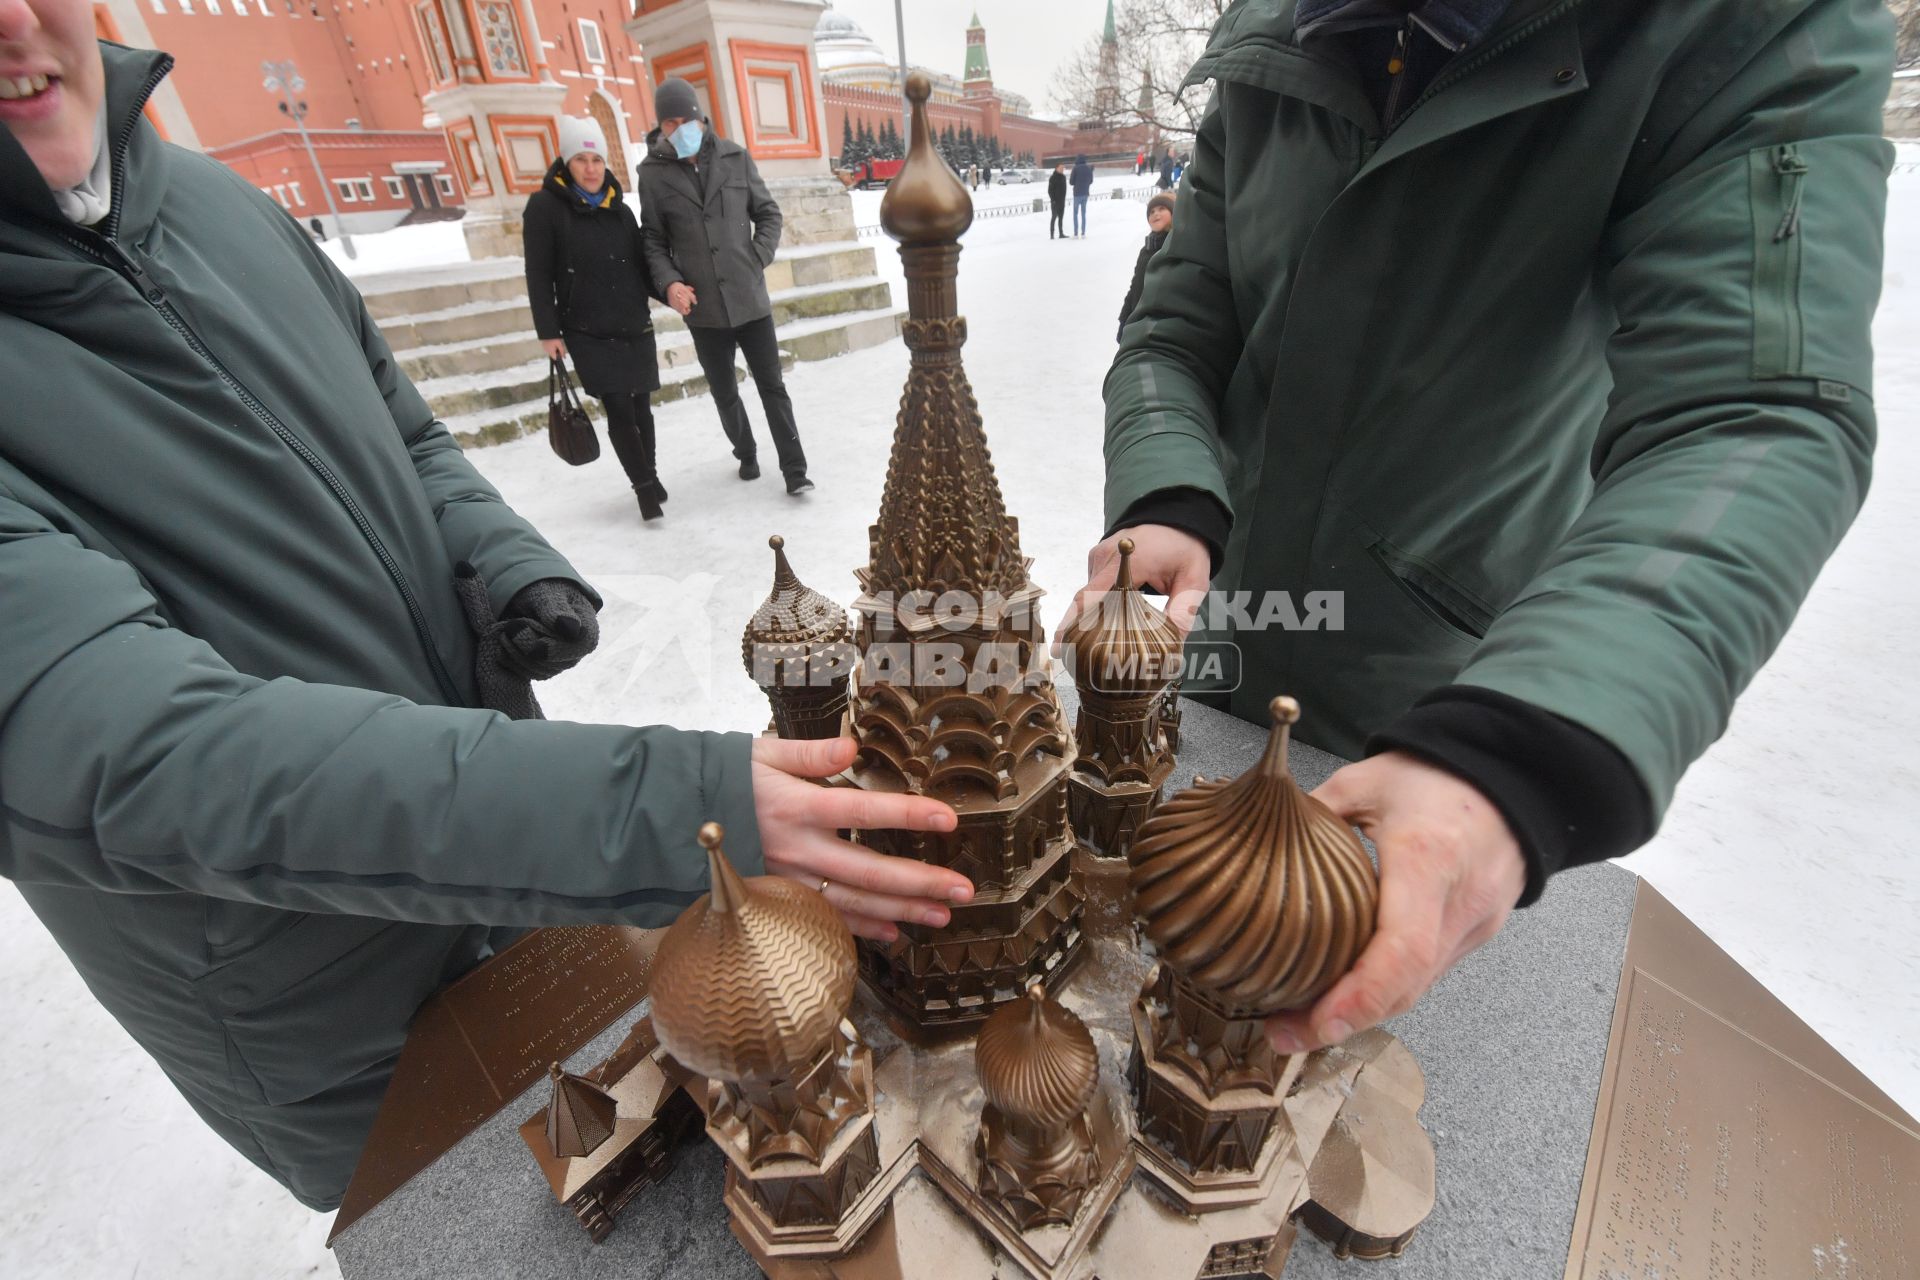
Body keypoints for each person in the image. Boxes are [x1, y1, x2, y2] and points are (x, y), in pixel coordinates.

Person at [0, 7, 966, 1212]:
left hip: (526, 864)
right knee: (506, 1219)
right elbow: (158, 756)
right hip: (329, 1001)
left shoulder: (203, 200)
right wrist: (671, 812)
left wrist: (502, 559)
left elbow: (396, 426)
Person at [1077, 0, 1893, 1060]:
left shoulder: (1749, 26)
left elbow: (1753, 412)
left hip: (1426, 711)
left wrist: (1523, 747)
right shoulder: (1274, 28)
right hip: (1212, 647)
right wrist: (1169, 493)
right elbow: (1176, 326)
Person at [636, 77, 813, 493]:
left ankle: (795, 470)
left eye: (688, 119)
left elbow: (768, 214)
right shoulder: (653, 175)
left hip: (749, 298)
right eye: (670, 122)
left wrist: (757, 255)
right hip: (704, 309)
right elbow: (653, 240)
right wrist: (670, 283)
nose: (681, 129)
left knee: (773, 386)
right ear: (661, 127)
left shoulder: (735, 158)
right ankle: (746, 451)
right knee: (724, 391)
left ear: (701, 117)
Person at [523, 116, 667, 521]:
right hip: (587, 330)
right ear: (566, 163)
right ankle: (644, 490)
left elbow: (641, 266)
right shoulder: (545, 208)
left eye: (597, 159)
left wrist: (672, 290)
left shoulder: (619, 210)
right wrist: (547, 331)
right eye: (581, 159)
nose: (590, 168)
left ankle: (650, 475)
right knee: (619, 409)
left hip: (632, 323)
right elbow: (538, 273)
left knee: (642, 408)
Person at [1117, 191, 1174, 342]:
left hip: (1163, 325)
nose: (1156, 214)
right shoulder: (1146, 249)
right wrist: (1124, 319)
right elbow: (1135, 285)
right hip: (1139, 321)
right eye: (1152, 212)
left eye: (1162, 208)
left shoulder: (1177, 244)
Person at [1069, 153, 1094, 237]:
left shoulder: (1075, 168)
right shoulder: (1088, 168)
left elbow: (1071, 182)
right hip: (1085, 193)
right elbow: (1091, 181)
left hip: (1077, 194)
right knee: (1083, 214)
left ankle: (1076, 233)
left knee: (1075, 213)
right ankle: (1083, 233)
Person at [1047, 162, 1068, 240]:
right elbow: (1049, 190)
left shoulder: (1063, 177)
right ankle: (1052, 234)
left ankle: (1061, 233)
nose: (1062, 169)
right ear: (1056, 168)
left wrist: (1063, 199)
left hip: (1062, 201)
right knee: (1054, 217)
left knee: (1061, 218)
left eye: (1063, 168)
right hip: (1055, 202)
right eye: (1061, 168)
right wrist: (1053, 200)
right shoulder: (1052, 177)